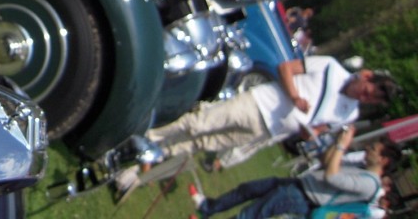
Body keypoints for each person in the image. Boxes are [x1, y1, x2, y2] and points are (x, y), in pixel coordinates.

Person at [146, 57, 397, 163]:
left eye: (370, 100)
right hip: (259, 104)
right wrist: (295, 96)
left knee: (204, 143)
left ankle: (154, 155)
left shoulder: (350, 114)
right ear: (367, 77)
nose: (364, 97)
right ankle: (150, 137)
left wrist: (309, 135)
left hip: (270, 130)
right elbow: (286, 68)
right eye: (368, 91)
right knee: (199, 124)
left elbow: (319, 129)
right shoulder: (330, 67)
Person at [188, 126, 400, 219]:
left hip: (303, 197)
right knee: (247, 189)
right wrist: (336, 142)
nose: (369, 149)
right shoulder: (362, 170)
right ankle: (208, 208)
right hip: (299, 185)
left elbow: (332, 176)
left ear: (384, 160)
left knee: (251, 214)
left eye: (375, 149)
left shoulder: (369, 184)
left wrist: (342, 146)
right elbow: (326, 164)